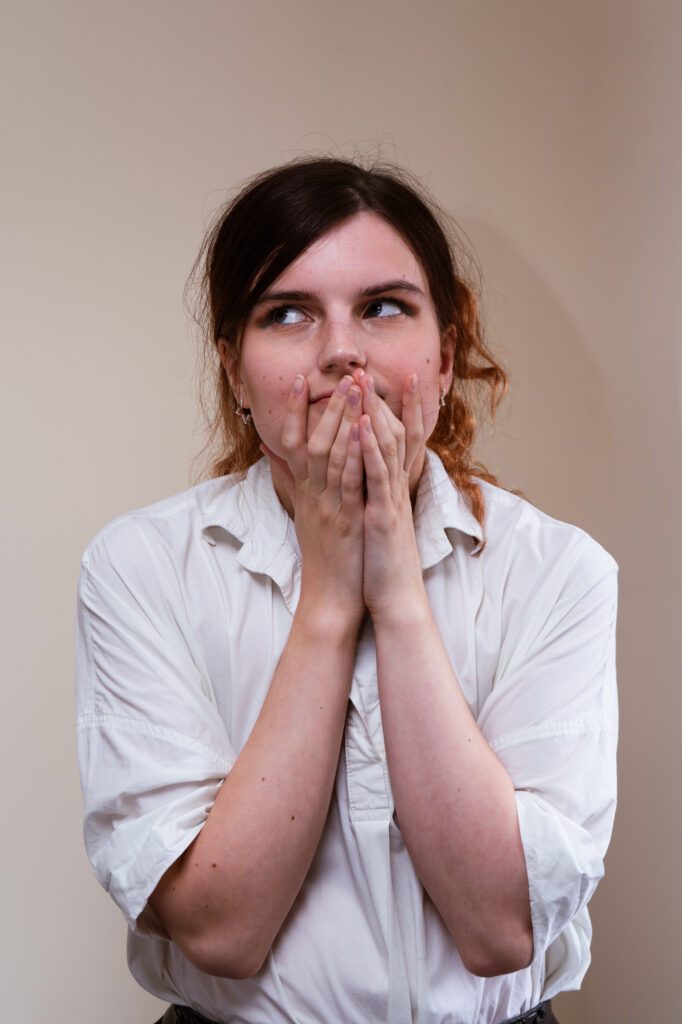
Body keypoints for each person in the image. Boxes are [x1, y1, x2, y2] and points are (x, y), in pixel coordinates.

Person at [75, 158, 618, 1024]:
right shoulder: (139, 567)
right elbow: (220, 932)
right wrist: (329, 599)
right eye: (287, 313)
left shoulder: (557, 571)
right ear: (235, 372)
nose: (340, 351)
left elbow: (499, 929)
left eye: (384, 307)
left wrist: (396, 591)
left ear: (445, 358)